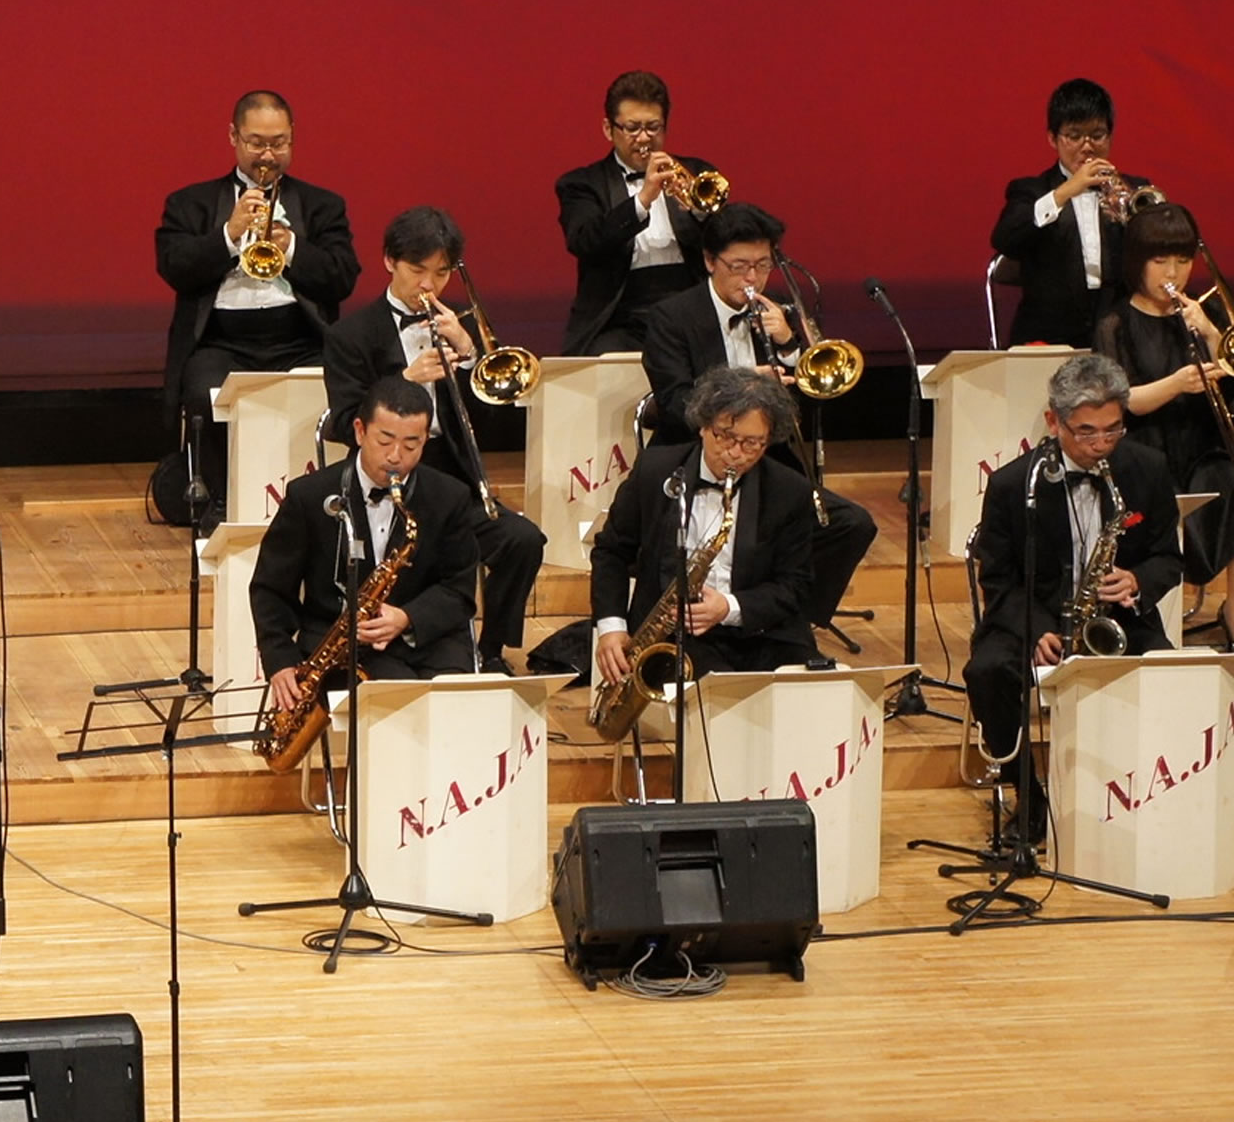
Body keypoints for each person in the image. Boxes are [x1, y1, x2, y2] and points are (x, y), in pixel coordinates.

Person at [964, 354, 1182, 840]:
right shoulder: (1012, 484)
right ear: (1053, 421)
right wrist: (1036, 628)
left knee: (1170, 673)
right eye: (1086, 432)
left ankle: (1144, 792)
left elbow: (1168, 557)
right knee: (988, 671)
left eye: (1112, 430)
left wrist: (1137, 581)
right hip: (1036, 617)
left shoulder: (1147, 468)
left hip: (1117, 619)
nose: (1100, 445)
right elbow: (998, 579)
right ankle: (1027, 796)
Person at [321, 206, 547, 674]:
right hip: (386, 475)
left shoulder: (461, 328)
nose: (429, 285)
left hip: (449, 476)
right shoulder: (351, 334)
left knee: (521, 539)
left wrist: (469, 357)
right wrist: (402, 380)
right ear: (389, 261)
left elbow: (489, 421)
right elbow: (342, 422)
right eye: (417, 270)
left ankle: (491, 650)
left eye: (441, 273)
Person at [639, 202, 878, 636]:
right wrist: (745, 384)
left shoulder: (779, 313)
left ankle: (787, 622)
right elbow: (674, 404)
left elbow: (815, 403)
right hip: (697, 455)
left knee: (852, 523)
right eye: (739, 266)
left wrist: (788, 345)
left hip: (767, 462)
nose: (752, 279)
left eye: (763, 266)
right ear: (710, 261)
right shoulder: (671, 317)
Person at [156, 90, 360, 524]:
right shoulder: (189, 203)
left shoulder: (323, 205)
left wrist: (292, 247)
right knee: (203, 392)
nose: (268, 156)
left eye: (279, 143)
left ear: (293, 138)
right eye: (257, 143)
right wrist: (229, 235)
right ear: (233, 137)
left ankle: (326, 504)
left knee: (339, 389)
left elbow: (342, 278)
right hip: (221, 341)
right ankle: (217, 504)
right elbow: (174, 268)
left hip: (300, 339)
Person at [1092, 201, 1234, 649]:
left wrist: (1212, 334)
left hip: (1201, 450)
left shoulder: (1201, 313)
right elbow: (1124, 402)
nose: (1173, 272)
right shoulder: (1115, 322)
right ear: (1138, 262)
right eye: (1160, 261)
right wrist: (1177, 383)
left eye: (1182, 260)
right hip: (1143, 454)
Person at [251, 377, 483, 717]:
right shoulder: (309, 496)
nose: (395, 457)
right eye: (384, 441)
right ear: (360, 431)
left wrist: (407, 618)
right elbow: (270, 588)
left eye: (411, 445)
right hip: (344, 647)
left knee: (457, 710)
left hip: (428, 640)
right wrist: (280, 659)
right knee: (400, 705)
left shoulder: (450, 497)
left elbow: (459, 589)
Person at [590, 367, 821, 685]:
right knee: (721, 696)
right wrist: (611, 627)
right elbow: (611, 552)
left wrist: (728, 607)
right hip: (677, 634)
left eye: (751, 444)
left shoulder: (789, 490)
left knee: (810, 693)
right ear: (703, 426)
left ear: (768, 442)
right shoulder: (655, 471)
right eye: (724, 436)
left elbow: (795, 585)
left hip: (760, 629)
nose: (735, 454)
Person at [555, 70, 720, 356]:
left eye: (653, 127)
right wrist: (643, 199)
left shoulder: (697, 171)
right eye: (632, 128)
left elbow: (726, 243)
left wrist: (698, 214)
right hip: (619, 315)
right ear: (608, 129)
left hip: (689, 301)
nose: (644, 139)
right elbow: (584, 241)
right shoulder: (581, 183)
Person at [989, 78, 1153, 348]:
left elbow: (1162, 250)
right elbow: (1004, 239)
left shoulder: (1134, 189)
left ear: (1110, 136)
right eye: (1074, 136)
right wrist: (1065, 192)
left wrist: (1132, 220)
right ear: (1052, 138)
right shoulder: (1029, 190)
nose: (1087, 147)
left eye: (1097, 135)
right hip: (1048, 333)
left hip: (1120, 332)